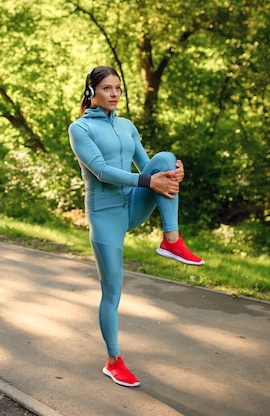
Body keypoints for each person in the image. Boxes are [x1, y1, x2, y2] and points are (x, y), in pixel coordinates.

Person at [68, 65, 204, 388]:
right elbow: (101, 171)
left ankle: (172, 239)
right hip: (104, 215)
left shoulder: (127, 126)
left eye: (117, 88)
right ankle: (113, 361)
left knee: (167, 159)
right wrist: (150, 180)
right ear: (92, 92)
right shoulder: (80, 129)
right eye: (107, 89)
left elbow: (148, 167)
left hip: (131, 204)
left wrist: (173, 173)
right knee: (112, 291)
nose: (114, 94)